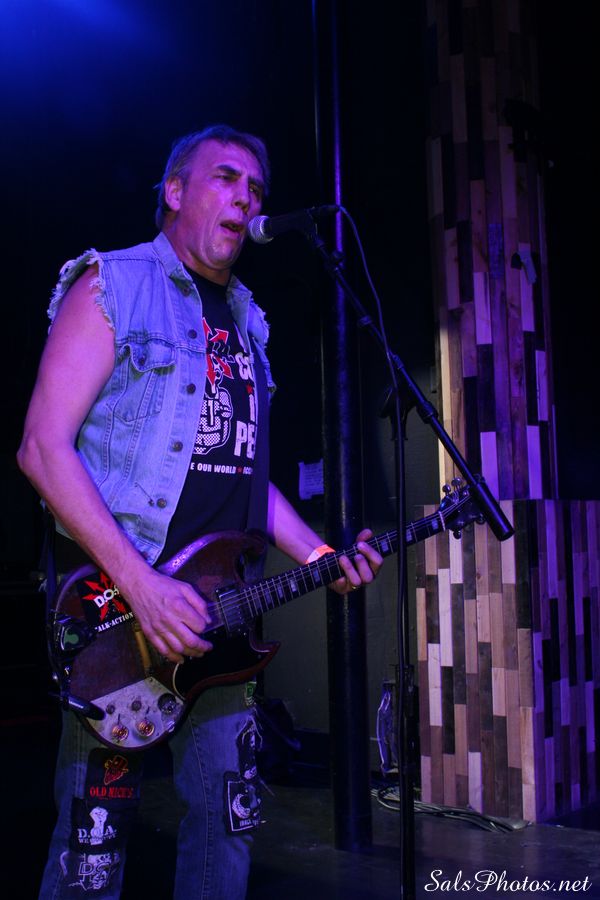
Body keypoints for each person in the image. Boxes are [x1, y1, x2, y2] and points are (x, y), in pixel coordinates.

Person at [17, 124, 382, 899]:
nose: (247, 197)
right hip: (117, 622)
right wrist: (143, 586)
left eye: (257, 188)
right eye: (226, 178)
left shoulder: (249, 323)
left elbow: (246, 475)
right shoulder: (113, 284)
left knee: (226, 831)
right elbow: (42, 449)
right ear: (175, 191)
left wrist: (320, 556)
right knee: (92, 855)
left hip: (222, 626)